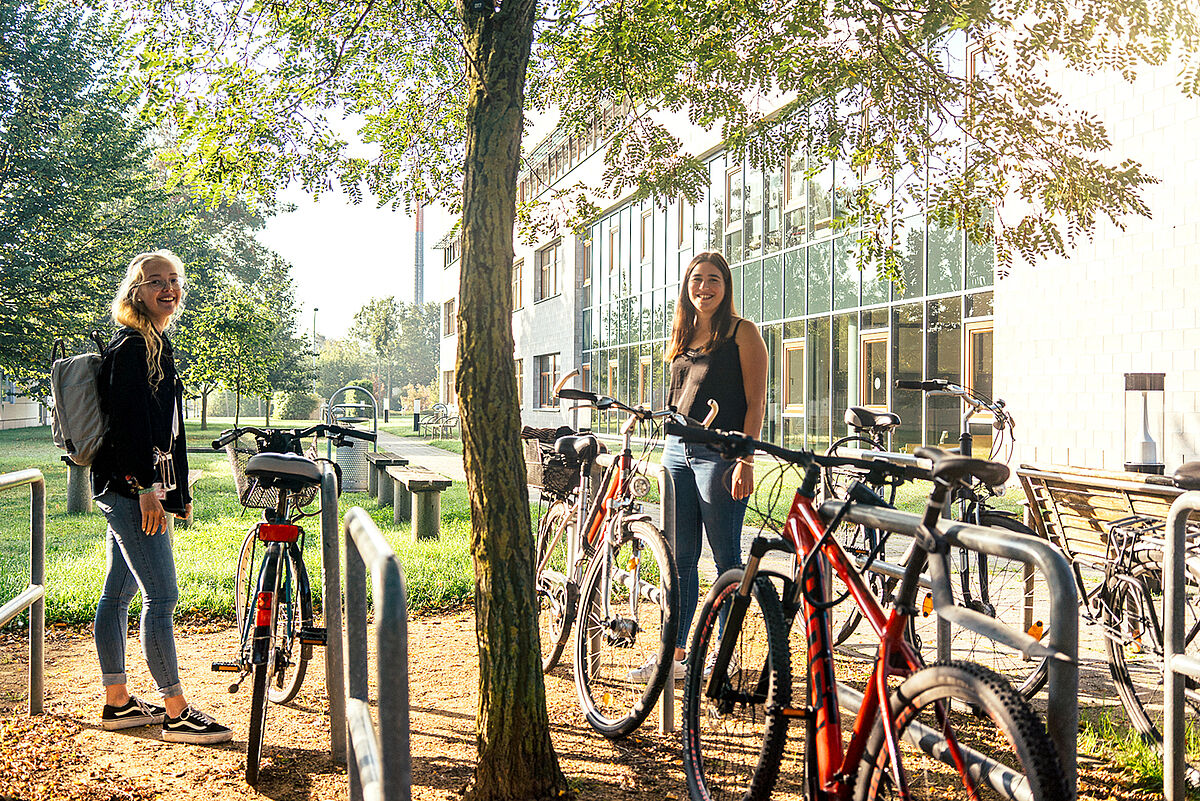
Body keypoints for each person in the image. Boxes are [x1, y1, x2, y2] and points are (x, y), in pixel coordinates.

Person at [91, 250, 232, 744]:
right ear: (137, 291)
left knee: (119, 592)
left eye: (174, 280)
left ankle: (119, 703)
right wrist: (149, 490)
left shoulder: (156, 342)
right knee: (162, 595)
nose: (168, 288)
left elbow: (168, 429)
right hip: (131, 490)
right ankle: (176, 711)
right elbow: (130, 429)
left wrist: (179, 492)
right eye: (156, 281)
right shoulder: (131, 347)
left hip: (137, 489)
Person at [629, 251, 768, 682]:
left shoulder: (743, 333)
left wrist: (746, 459)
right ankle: (676, 655)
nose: (703, 287)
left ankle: (723, 662)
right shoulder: (682, 335)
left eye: (713, 280)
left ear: (726, 287)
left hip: (720, 457)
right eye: (696, 280)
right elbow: (680, 397)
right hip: (676, 454)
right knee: (680, 559)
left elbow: (756, 401)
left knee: (726, 556)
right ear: (687, 287)